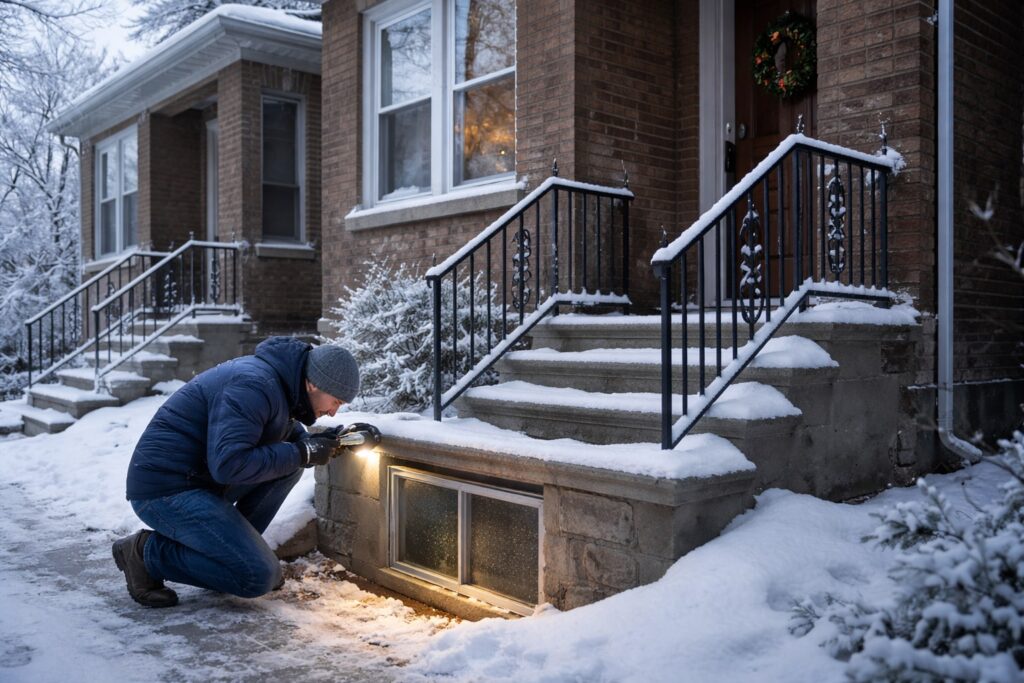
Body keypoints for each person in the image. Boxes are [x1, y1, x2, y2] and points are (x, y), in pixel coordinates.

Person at [112, 336, 370, 608]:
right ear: (313, 383)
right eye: (336, 402)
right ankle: (144, 553)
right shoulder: (253, 386)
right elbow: (230, 464)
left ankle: (234, 555)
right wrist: (301, 452)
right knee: (257, 576)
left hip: (199, 480)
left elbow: (285, 440)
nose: (332, 412)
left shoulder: (282, 385)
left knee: (287, 469)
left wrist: (335, 440)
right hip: (165, 490)